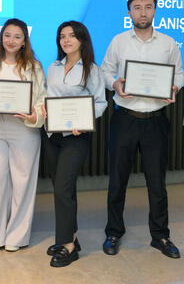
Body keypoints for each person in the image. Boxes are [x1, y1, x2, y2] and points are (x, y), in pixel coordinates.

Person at [100, 0, 184, 258]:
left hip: (155, 121)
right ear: (129, 13)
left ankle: (160, 236)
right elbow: (105, 71)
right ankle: (113, 232)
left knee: (157, 183)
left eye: (148, 7)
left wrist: (174, 87)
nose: (143, 12)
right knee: (117, 181)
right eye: (137, 7)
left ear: (155, 10)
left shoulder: (168, 43)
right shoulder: (119, 41)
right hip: (125, 118)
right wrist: (115, 84)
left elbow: (179, 73)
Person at [0, 18, 46, 253]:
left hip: (24, 129)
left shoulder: (34, 66)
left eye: (17, 36)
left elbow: (41, 99)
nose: (11, 40)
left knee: (23, 183)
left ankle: (17, 236)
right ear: (1, 38)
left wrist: (34, 115)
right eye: (7, 35)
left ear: (24, 41)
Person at [43, 21, 107, 267]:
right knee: (63, 189)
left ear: (82, 39)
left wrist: (85, 120)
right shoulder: (54, 67)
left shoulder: (92, 69)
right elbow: (48, 96)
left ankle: (68, 247)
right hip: (52, 135)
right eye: (62, 36)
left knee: (63, 188)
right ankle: (72, 236)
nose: (66, 40)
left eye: (71, 36)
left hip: (76, 136)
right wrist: (44, 108)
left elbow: (100, 103)